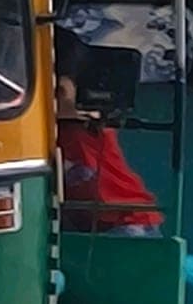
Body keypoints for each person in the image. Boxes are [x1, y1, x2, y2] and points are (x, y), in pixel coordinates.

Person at [55, 27, 163, 236]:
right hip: (93, 223)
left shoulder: (89, 119)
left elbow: (79, 108)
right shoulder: (50, 131)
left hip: (129, 221)